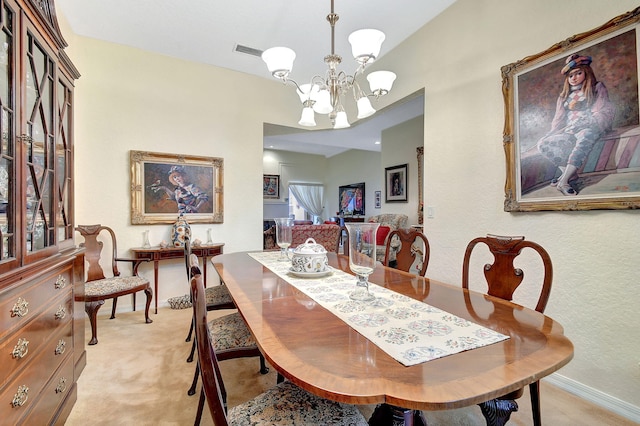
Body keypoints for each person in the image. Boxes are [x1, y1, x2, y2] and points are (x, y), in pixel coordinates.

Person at [536, 53, 615, 196]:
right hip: (570, 130)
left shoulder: (596, 88)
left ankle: (564, 181)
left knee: (584, 139)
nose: (574, 78)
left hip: (590, 126)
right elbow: (559, 119)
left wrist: (587, 122)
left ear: (587, 72)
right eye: (571, 75)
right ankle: (569, 174)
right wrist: (552, 133)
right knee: (543, 144)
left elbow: (603, 110)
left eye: (578, 73)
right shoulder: (564, 96)